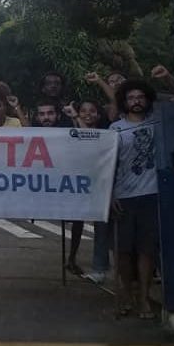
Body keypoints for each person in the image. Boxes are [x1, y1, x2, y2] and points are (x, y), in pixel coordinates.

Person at [110, 79, 163, 319]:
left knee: (147, 250)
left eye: (140, 97)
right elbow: (107, 166)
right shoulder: (115, 129)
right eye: (131, 98)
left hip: (151, 196)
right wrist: (110, 194)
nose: (136, 101)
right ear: (124, 101)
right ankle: (127, 294)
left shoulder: (157, 123)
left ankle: (143, 297)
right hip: (124, 197)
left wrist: (164, 78)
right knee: (123, 251)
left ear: (147, 99)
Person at [35, 97, 85, 276]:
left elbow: (88, 140)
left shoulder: (67, 131)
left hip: (64, 185)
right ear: (37, 117)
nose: (46, 117)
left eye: (50, 113)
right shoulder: (31, 133)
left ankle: (71, 258)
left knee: (78, 217)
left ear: (57, 115)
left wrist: (76, 117)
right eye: (42, 114)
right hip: (38, 188)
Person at [63, 99, 112, 283]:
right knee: (94, 226)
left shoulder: (106, 133)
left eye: (92, 110)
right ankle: (98, 267)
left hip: (101, 184)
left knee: (104, 228)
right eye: (83, 111)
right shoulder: (70, 130)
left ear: (99, 115)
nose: (87, 114)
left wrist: (75, 116)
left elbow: (89, 137)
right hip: (79, 184)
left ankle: (103, 268)